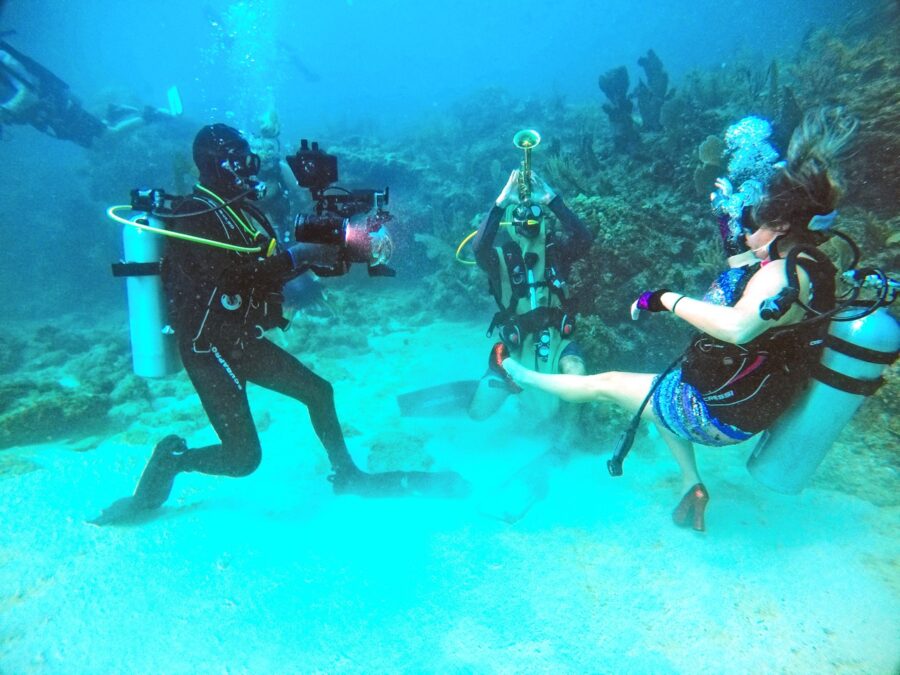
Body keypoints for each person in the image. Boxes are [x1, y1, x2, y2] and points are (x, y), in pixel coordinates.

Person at [500, 109, 857, 531]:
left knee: (609, 383)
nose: (746, 229)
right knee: (658, 395)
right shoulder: (808, 264)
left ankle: (516, 373)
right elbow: (746, 272)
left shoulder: (780, 274)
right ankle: (693, 485)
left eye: (752, 219)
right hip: (756, 403)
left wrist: (664, 299)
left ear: (779, 223)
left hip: (719, 414)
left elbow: (739, 326)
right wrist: (727, 226)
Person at [93, 124, 467, 524]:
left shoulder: (245, 211)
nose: (248, 165)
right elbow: (235, 277)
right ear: (212, 162)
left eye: (246, 155)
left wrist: (329, 255)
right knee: (242, 459)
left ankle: (349, 474)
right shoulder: (193, 215)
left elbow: (274, 270)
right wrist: (298, 256)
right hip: (208, 345)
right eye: (237, 156)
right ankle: (171, 460)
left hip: (239, 337)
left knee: (318, 392)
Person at [468, 165, 592, 521]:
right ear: (512, 223)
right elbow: (479, 250)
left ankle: (563, 444)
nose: (529, 221)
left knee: (576, 374)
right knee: (477, 415)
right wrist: (500, 203)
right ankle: (494, 388)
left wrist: (551, 199)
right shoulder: (501, 259)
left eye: (536, 214)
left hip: (555, 344)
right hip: (516, 352)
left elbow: (584, 239)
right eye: (521, 216)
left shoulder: (557, 253)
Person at [0, 39, 179, 147]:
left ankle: (151, 116)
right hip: (49, 112)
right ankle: (115, 112)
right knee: (97, 141)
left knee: (108, 137)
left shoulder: (3, 59)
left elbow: (28, 91)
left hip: (54, 105)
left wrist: (7, 111)